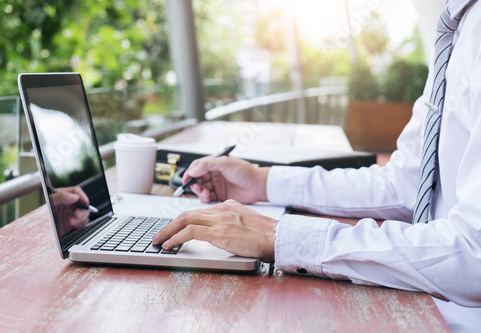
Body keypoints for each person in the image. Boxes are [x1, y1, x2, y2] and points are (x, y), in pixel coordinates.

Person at [153, 0, 481, 331]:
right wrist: (261, 181)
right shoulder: (460, 23)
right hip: (429, 305)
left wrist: (283, 237)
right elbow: (405, 187)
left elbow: (475, 255)